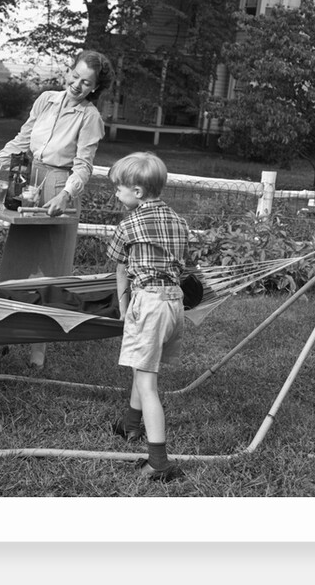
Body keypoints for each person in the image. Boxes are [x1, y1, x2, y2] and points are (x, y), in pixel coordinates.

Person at [0, 49, 115, 367]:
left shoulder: (90, 118)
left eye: (86, 82)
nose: (77, 84)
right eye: (75, 76)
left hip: (59, 191)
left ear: (95, 88)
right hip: (28, 181)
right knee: (15, 266)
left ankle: (38, 350)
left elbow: (84, 166)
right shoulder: (46, 100)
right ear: (69, 71)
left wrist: (66, 196)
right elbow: (20, 142)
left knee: (51, 274)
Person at [105, 152, 190, 482]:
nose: (116, 193)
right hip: (174, 303)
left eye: (119, 188)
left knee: (147, 382)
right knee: (144, 366)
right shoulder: (179, 221)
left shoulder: (128, 224)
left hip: (149, 303)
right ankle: (130, 426)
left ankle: (158, 462)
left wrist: (124, 308)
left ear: (137, 191)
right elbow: (183, 264)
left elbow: (119, 267)